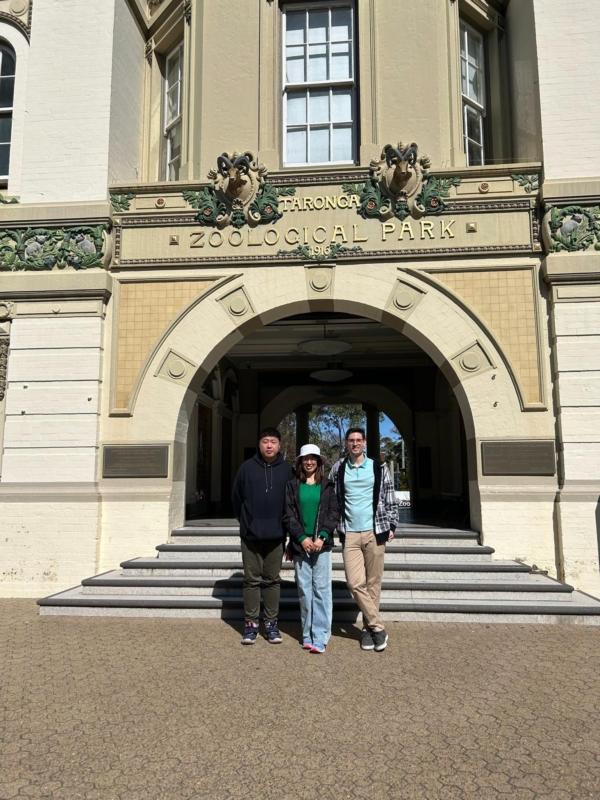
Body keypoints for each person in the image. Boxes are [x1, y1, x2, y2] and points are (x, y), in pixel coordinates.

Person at [329, 427, 399, 652]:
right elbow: (330, 496)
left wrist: (392, 524)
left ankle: (369, 630)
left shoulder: (377, 467)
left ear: (365, 443)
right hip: (349, 533)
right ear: (346, 443)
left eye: (359, 440)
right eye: (351, 440)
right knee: (355, 583)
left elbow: (390, 497)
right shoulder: (338, 468)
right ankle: (379, 627)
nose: (355, 444)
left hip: (374, 531)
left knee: (373, 583)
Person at [232, 427, 293, 645]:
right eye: (265, 441)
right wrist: (246, 522)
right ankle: (250, 625)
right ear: (259, 444)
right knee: (251, 580)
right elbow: (236, 499)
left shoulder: (287, 470)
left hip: (276, 536)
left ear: (279, 445)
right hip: (251, 535)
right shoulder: (246, 469)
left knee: (272, 580)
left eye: (273, 442)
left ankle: (271, 623)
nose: (269, 445)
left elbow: (291, 502)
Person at [284, 444, 339, 654]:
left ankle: (321, 635)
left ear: (319, 462)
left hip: (321, 546)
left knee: (322, 590)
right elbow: (288, 515)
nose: (309, 462)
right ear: (300, 462)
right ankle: (307, 633)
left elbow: (334, 513)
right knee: (304, 591)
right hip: (301, 546)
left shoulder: (327, 485)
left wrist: (322, 537)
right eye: (305, 459)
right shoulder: (292, 486)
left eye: (313, 458)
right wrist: (302, 538)